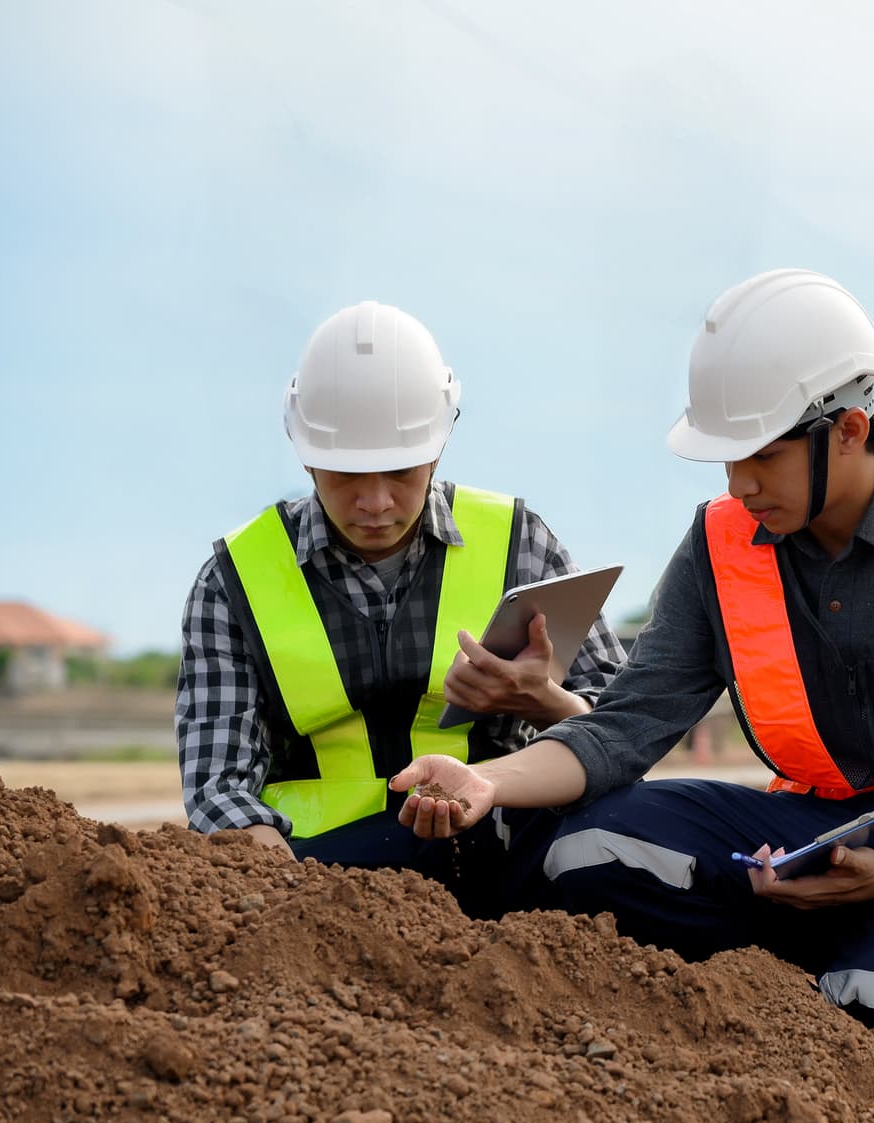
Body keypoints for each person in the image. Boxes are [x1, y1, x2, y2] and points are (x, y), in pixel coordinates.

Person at [389, 269, 874, 1123]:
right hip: (817, 827)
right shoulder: (722, 541)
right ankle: (758, 1030)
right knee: (576, 848)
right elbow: (622, 727)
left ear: (847, 430)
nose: (740, 481)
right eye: (728, 456)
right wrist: (485, 782)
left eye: (760, 454)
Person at [176, 301, 626, 914]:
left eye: (399, 472)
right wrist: (290, 904)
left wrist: (543, 700)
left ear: (438, 449)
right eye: (346, 475)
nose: (375, 501)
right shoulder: (233, 582)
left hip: (502, 862)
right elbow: (218, 787)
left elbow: (618, 735)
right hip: (314, 875)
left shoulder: (521, 546)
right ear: (305, 453)